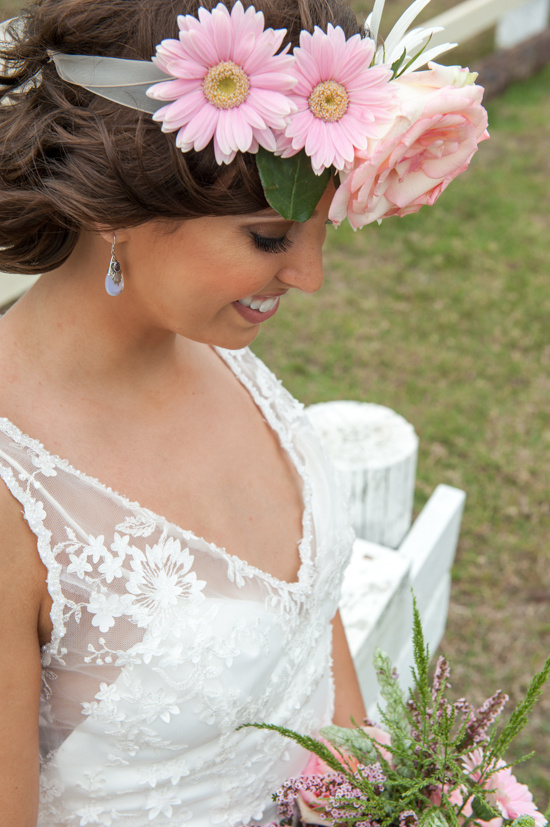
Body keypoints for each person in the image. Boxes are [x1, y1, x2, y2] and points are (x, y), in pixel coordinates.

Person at [0, 1, 368, 825]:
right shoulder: (12, 493)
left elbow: (311, 618)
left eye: (323, 231)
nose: (309, 276)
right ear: (113, 207)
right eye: (271, 238)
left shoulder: (214, 352)